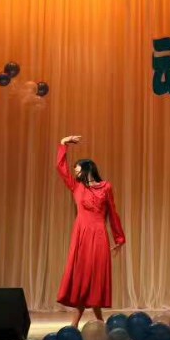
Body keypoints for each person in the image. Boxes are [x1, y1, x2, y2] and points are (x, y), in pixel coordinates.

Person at [56, 135, 126, 327]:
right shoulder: (76, 186)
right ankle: (87, 323)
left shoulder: (106, 187)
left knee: (95, 278)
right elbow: (61, 168)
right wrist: (63, 144)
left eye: (77, 169)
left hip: (99, 235)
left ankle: (92, 323)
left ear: (86, 169)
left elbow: (112, 213)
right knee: (83, 277)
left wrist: (119, 238)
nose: (75, 172)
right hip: (82, 235)